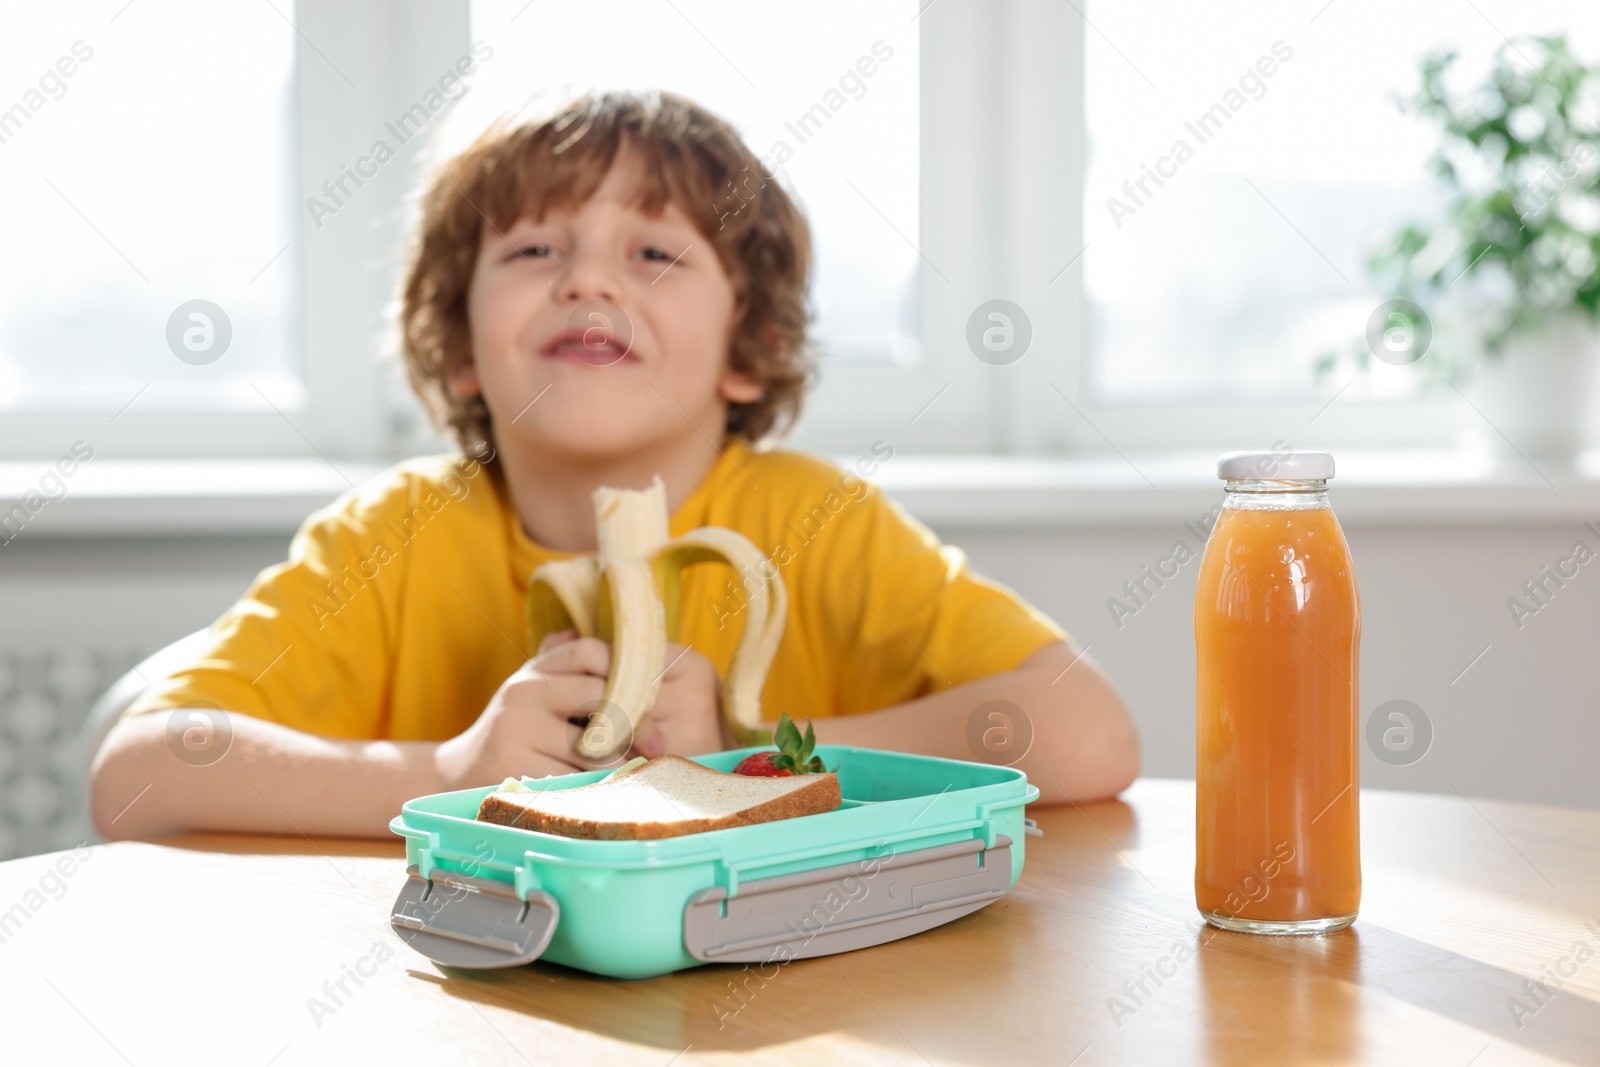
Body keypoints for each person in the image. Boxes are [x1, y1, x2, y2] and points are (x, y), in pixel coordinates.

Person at [90, 91, 1138, 839]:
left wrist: (753, 744)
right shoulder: (386, 537)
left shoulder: (819, 517)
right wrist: (454, 774)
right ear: (459, 347)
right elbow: (136, 776)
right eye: (534, 250)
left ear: (750, 348)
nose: (588, 277)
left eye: (653, 253)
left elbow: (1091, 736)